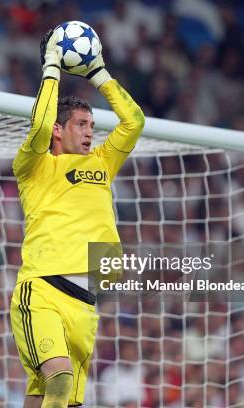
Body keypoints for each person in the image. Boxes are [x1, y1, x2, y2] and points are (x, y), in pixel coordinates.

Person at [10, 27, 145, 407]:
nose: (90, 133)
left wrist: (99, 74)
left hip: (86, 302)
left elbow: (134, 122)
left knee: (52, 396)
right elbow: (37, 126)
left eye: (92, 126)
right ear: (58, 130)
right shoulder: (34, 166)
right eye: (81, 125)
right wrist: (52, 67)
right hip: (43, 290)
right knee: (59, 379)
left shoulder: (102, 162)